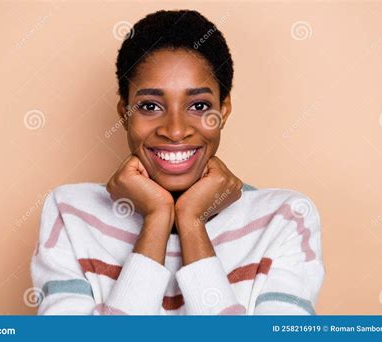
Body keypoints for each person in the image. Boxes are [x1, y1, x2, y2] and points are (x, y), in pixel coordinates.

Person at [31, 9, 324, 315]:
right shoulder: (70, 213)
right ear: (124, 113)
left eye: (198, 105)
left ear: (223, 112)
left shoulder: (285, 219)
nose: (175, 130)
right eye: (149, 105)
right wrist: (157, 219)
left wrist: (191, 223)